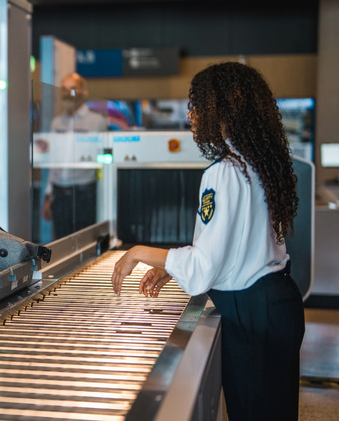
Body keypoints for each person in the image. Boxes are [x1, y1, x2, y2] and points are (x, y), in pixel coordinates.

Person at [111, 62, 304, 420]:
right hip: (278, 304)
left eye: (196, 104)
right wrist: (170, 268)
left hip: (252, 316)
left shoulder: (223, 172)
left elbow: (202, 271)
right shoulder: (258, 162)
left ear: (222, 108)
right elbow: (235, 245)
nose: (190, 113)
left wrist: (137, 252)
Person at [42, 72, 108, 238]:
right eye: (64, 89)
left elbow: (104, 162)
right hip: (59, 192)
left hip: (85, 192)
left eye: (73, 89)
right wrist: (48, 195)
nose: (68, 93)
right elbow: (53, 161)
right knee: (62, 242)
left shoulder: (97, 121)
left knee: (85, 242)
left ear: (83, 92)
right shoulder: (57, 122)